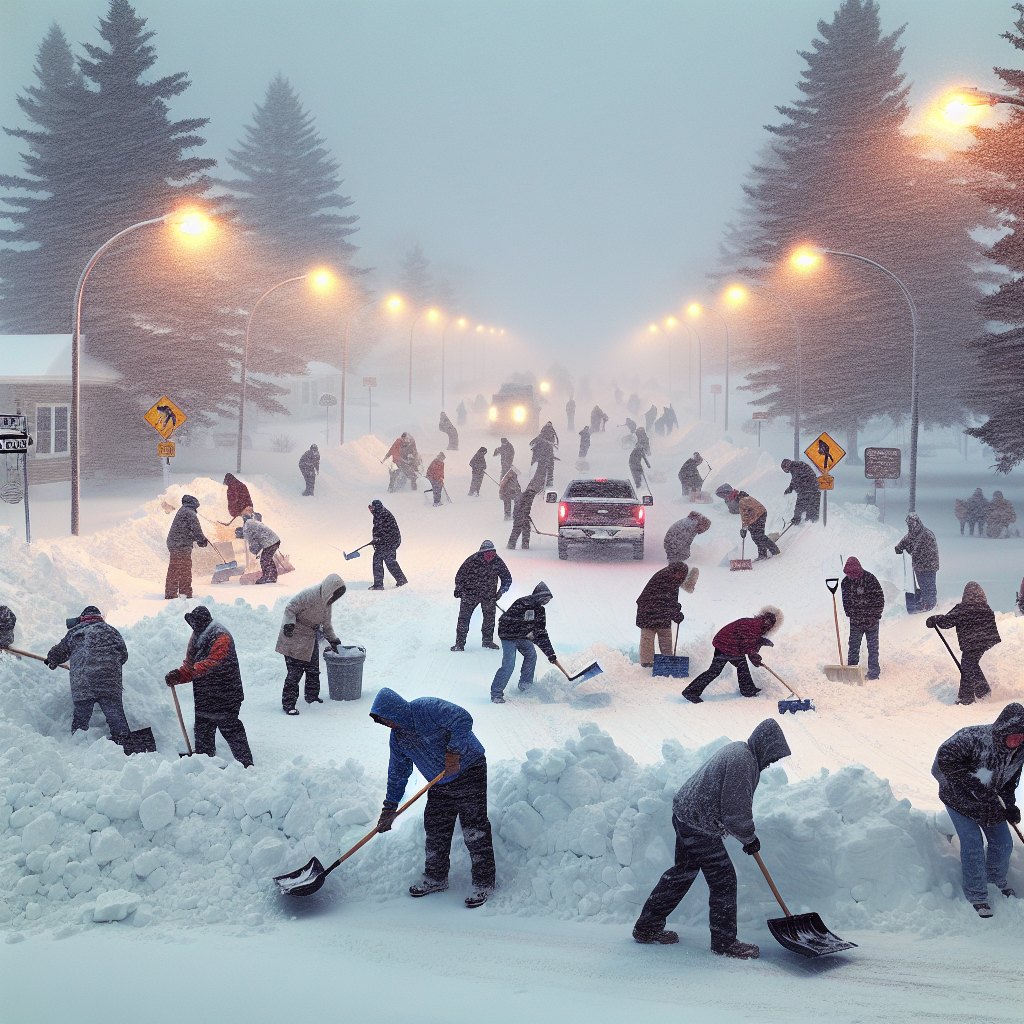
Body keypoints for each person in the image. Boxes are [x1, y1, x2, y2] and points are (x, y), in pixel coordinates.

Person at [632, 719, 792, 958]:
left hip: (687, 814)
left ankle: (647, 927)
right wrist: (749, 838)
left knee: (683, 873)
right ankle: (724, 942)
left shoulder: (742, 751)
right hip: (698, 823)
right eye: (773, 756)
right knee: (724, 880)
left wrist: (746, 835)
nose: (772, 762)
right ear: (765, 746)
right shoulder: (742, 761)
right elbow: (734, 812)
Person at [370, 687, 496, 908]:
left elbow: (463, 718)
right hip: (439, 782)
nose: (388, 724)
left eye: (388, 719)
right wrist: (390, 807)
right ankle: (436, 878)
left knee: (474, 827)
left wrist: (454, 752)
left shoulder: (426, 708)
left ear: (396, 711)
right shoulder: (398, 739)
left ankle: (484, 882)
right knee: (436, 828)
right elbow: (398, 771)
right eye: (383, 722)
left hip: (469, 769)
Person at [931, 703, 1024, 917]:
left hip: (988, 799)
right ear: (1004, 730)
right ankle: (977, 894)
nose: (1019, 740)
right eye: (1016, 735)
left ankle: (995, 882)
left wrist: (1008, 806)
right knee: (972, 842)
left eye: (1023, 736)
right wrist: (974, 787)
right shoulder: (972, 738)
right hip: (957, 797)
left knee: (1003, 842)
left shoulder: (1019, 751)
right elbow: (945, 759)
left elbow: (1009, 782)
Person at [165, 606, 253, 767]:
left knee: (230, 727)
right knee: (203, 728)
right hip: (205, 693)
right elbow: (190, 664)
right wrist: (179, 675)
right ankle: (204, 762)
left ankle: (246, 764)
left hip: (226, 692)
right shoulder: (197, 635)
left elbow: (213, 663)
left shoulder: (221, 636)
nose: (192, 626)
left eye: (194, 623)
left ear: (202, 622)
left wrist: (190, 672)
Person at [47, 606, 130, 746]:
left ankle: (78, 744)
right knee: (116, 717)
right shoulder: (112, 631)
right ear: (100, 617)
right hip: (109, 683)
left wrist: (51, 660)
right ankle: (125, 743)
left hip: (83, 683)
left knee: (81, 718)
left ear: (82, 618)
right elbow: (123, 656)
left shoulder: (75, 632)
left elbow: (57, 654)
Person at [275, 573, 345, 714]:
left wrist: (333, 640)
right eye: (335, 594)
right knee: (295, 672)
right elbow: (290, 608)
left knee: (313, 670)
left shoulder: (327, 603)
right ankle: (288, 704)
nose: (335, 598)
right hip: (294, 636)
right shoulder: (310, 595)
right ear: (329, 589)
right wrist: (289, 624)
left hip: (310, 638)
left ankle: (312, 697)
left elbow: (326, 624)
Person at [682, 607, 782, 703]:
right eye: (768, 621)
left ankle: (747, 690)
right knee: (716, 671)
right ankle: (691, 692)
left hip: (729, 644)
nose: (768, 624)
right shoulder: (755, 626)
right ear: (764, 619)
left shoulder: (756, 624)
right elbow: (748, 644)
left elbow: (748, 638)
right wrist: (755, 657)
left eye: (770, 623)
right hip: (727, 645)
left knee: (740, 665)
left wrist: (761, 641)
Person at [927, 583, 1001, 705]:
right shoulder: (985, 608)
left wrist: (935, 619)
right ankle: (982, 691)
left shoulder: (963, 609)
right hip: (984, 643)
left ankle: (966, 698)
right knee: (971, 665)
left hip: (971, 643)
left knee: (968, 666)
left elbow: (947, 621)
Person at [491, 582, 558, 702]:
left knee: (531, 655)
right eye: (544, 599)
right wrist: (521, 629)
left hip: (522, 637)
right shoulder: (522, 603)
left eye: (547, 600)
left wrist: (550, 654)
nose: (545, 602)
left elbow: (541, 633)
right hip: (508, 636)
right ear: (537, 596)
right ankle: (496, 693)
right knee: (509, 664)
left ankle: (525, 686)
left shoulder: (540, 611)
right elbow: (505, 622)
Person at [452, 540, 512, 651]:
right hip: (470, 594)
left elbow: (507, 579)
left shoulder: (498, 562)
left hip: (489, 595)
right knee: (464, 619)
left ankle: (487, 642)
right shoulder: (472, 561)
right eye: (487, 554)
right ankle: (459, 644)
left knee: (489, 619)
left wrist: (501, 592)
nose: (490, 557)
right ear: (481, 553)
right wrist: (459, 589)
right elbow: (460, 576)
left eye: (492, 554)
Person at [636, 563, 696, 668]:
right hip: (647, 610)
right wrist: (673, 612)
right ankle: (647, 664)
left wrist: (676, 610)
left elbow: (670, 600)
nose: (682, 578)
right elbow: (662, 600)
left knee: (666, 637)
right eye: (681, 576)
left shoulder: (672, 579)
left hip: (660, 612)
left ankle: (668, 661)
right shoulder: (664, 578)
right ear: (676, 573)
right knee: (648, 638)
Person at [841, 557, 883, 679]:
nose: (852, 576)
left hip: (871, 621)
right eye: (849, 574)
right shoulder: (846, 583)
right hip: (856, 621)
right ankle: (852, 671)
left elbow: (879, 599)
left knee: (873, 647)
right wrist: (852, 615)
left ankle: (874, 672)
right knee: (853, 646)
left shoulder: (870, 579)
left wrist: (874, 616)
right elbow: (846, 602)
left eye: (853, 574)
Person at [165, 494, 208, 600]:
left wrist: (198, 539)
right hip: (180, 545)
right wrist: (201, 540)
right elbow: (196, 529)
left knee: (177, 568)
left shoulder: (183, 511)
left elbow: (187, 530)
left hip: (176, 543)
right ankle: (183, 593)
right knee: (183, 569)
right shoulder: (189, 513)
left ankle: (174, 592)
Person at [895, 513, 939, 611]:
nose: (911, 526)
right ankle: (925, 602)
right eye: (909, 524)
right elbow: (902, 544)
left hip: (929, 565)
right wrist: (899, 548)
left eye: (911, 524)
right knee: (922, 584)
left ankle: (931, 603)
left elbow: (918, 550)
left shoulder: (926, 534)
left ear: (917, 523)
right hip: (919, 565)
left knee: (929, 584)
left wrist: (910, 549)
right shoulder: (912, 535)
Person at [368, 499, 407, 590]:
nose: (370, 510)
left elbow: (387, 532)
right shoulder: (378, 514)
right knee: (387, 561)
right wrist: (376, 539)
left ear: (376, 508)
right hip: (386, 542)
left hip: (390, 542)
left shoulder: (384, 515)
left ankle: (379, 585)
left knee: (382, 560)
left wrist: (379, 539)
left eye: (372, 508)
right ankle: (401, 580)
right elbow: (377, 530)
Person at [239, 512, 280, 585]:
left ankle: (267, 577)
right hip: (274, 539)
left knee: (265, 559)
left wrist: (254, 551)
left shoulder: (246, 530)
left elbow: (254, 542)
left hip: (270, 541)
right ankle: (272, 577)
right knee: (267, 559)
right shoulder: (251, 523)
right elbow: (258, 538)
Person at [738, 491, 780, 560]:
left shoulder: (742, 501)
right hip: (762, 514)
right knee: (758, 535)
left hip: (757, 517)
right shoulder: (747, 498)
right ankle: (763, 553)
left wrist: (744, 528)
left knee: (757, 536)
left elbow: (744, 516)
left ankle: (773, 550)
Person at [780, 458, 820, 524]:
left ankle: (797, 521)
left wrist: (793, 489)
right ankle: (812, 520)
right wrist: (790, 488)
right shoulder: (797, 466)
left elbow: (796, 481)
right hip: (814, 488)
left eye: (784, 469)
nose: (785, 471)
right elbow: (795, 480)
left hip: (807, 489)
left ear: (786, 466)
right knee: (812, 506)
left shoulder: (795, 468)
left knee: (800, 504)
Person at [508, 482, 539, 550]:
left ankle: (522, 545)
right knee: (519, 528)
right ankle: (513, 545)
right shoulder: (529, 495)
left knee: (525, 528)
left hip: (521, 513)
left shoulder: (528, 494)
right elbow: (525, 507)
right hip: (520, 513)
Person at [530, 422, 559, 487]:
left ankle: (542, 481)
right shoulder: (550, 433)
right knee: (549, 467)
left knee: (541, 468)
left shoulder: (543, 433)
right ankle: (548, 481)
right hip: (547, 455)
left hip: (542, 455)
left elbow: (534, 442)